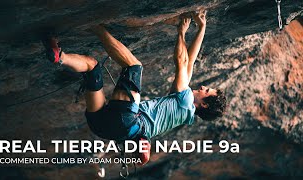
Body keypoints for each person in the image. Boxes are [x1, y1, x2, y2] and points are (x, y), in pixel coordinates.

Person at [42, 10, 226, 166]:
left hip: (127, 120)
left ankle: (95, 26)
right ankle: (60, 57)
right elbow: (190, 62)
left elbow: (182, 60)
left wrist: (181, 31)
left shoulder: (186, 101)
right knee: (92, 67)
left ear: (205, 105)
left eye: (208, 91)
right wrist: (202, 28)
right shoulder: (183, 112)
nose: (203, 87)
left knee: (134, 67)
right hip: (104, 129)